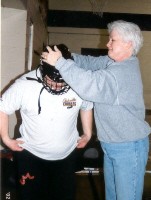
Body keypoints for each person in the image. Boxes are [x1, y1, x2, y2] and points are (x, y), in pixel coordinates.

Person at [41, 20, 151, 200]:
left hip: (129, 148)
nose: (107, 43)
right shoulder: (114, 62)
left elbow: (89, 84)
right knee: (113, 196)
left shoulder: (121, 73)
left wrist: (60, 63)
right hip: (113, 145)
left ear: (128, 43)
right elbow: (91, 62)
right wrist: (68, 56)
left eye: (112, 40)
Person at [0, 44, 93, 200]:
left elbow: (87, 105)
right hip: (31, 156)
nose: (57, 87)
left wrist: (88, 133)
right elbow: (2, 108)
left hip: (66, 157)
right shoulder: (24, 85)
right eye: (52, 81)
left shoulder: (77, 82)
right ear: (43, 71)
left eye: (62, 82)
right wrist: (5, 139)